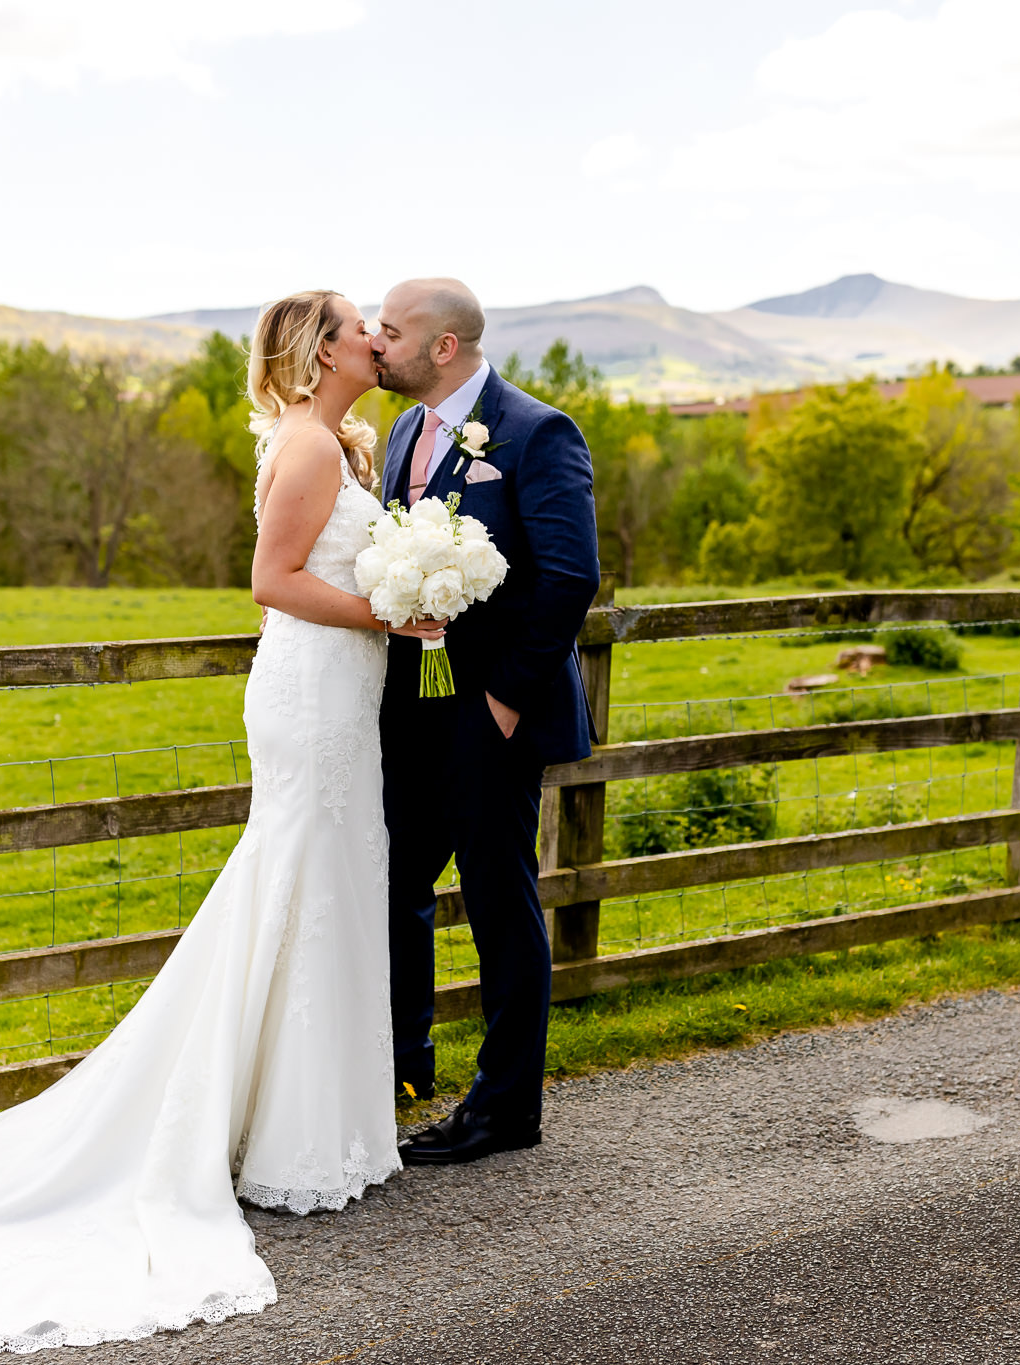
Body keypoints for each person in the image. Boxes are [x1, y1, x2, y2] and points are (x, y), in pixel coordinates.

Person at [0, 290, 444, 1355]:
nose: (378, 336)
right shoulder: (309, 449)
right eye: (360, 324)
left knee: (323, 888)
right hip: (310, 693)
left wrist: (397, 601)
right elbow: (270, 582)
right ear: (322, 350)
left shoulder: (333, 441)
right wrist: (390, 611)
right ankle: (281, 1140)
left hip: (338, 691)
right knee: (302, 887)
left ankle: (309, 1129)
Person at [371, 278, 601, 1164]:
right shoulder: (403, 431)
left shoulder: (537, 432)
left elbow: (568, 578)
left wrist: (503, 699)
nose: (375, 342)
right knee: (393, 880)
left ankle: (507, 1107)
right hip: (415, 711)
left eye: (391, 331)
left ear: (442, 347)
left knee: (502, 902)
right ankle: (405, 1064)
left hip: (496, 714)